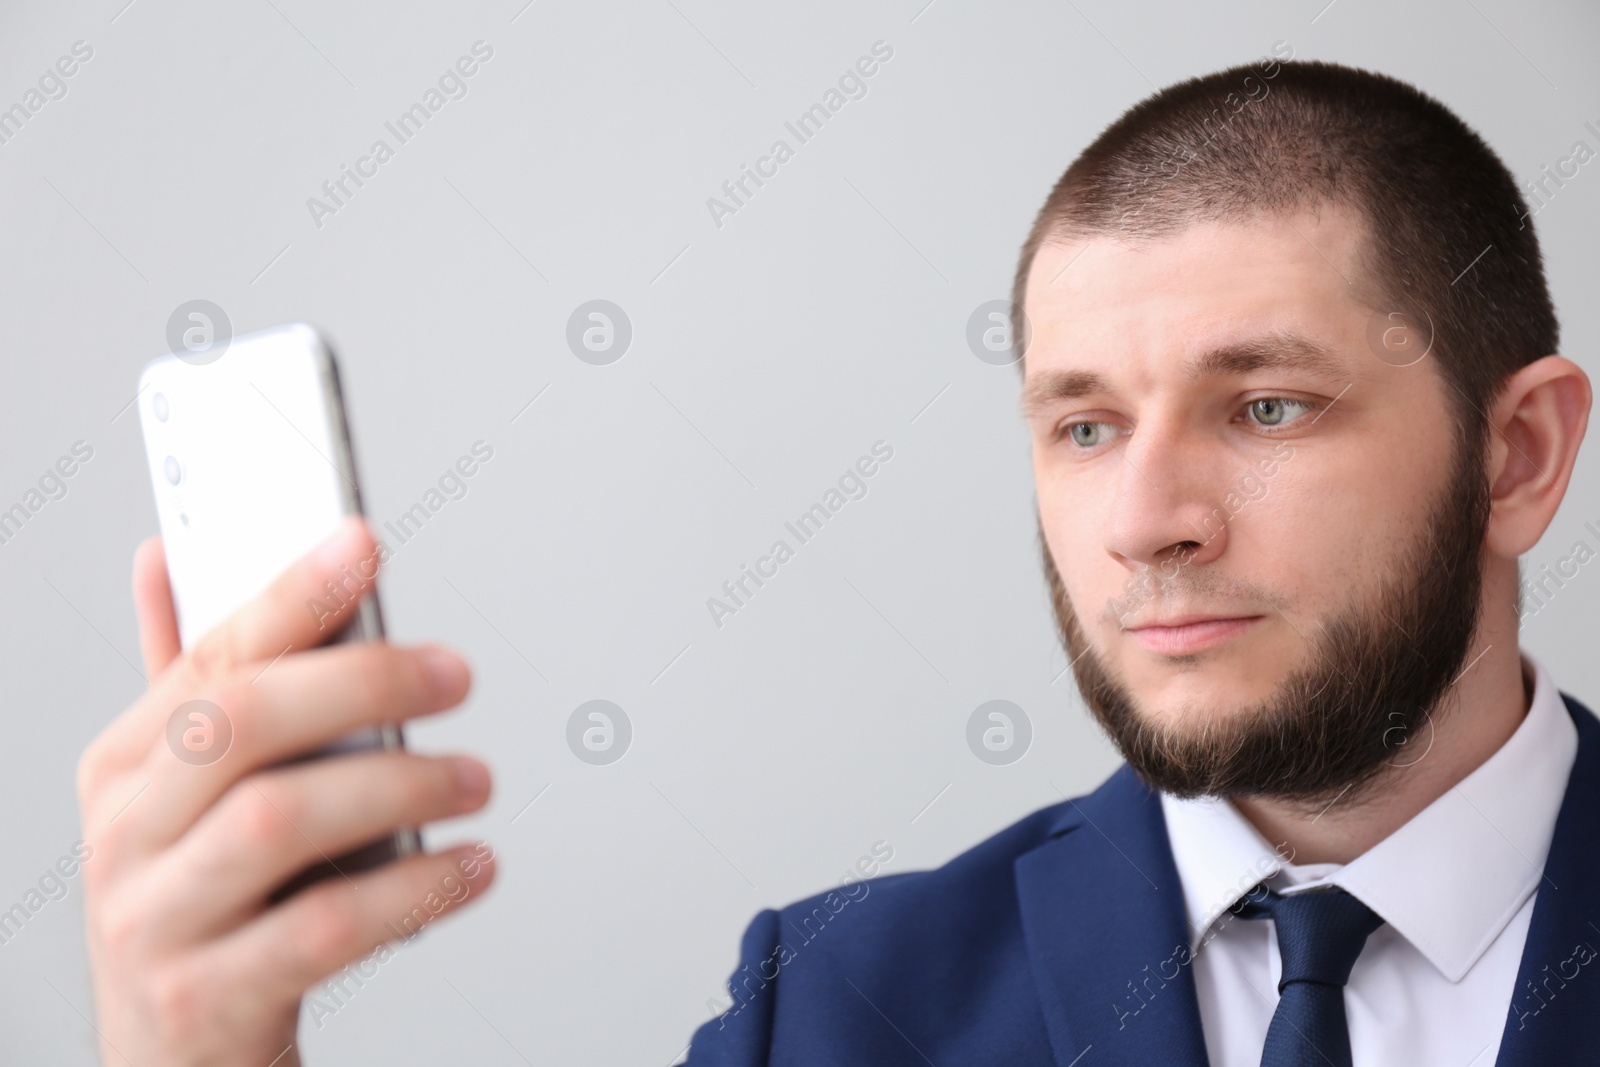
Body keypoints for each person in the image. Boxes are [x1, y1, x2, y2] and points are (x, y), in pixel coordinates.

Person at [77, 57, 1595, 1066]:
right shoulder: (827, 1012)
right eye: (1081, 427)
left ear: (1516, 456)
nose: (1145, 520)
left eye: (1267, 406)